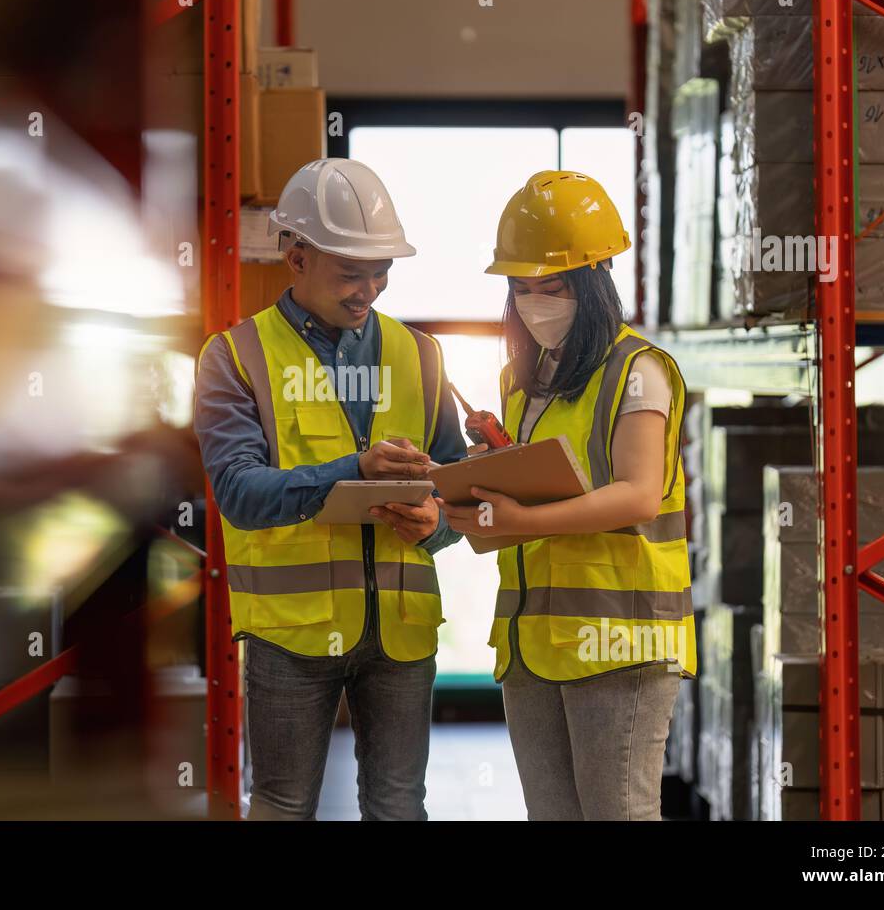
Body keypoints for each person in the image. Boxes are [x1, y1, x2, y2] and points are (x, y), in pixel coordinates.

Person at [194, 158, 468, 820]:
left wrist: (439, 524)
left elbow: (460, 486)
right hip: (294, 635)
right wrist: (352, 472)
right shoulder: (235, 358)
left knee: (399, 805)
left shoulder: (420, 354)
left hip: (400, 632)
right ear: (296, 257)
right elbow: (238, 491)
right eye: (351, 272)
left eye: (381, 272)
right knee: (284, 804)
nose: (368, 290)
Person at [437, 170, 696, 820]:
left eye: (548, 287)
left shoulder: (637, 372)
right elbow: (538, 475)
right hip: (533, 640)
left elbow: (637, 495)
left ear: (592, 280)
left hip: (619, 642)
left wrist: (526, 514)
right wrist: (477, 477)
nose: (533, 303)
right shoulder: (522, 380)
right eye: (520, 289)